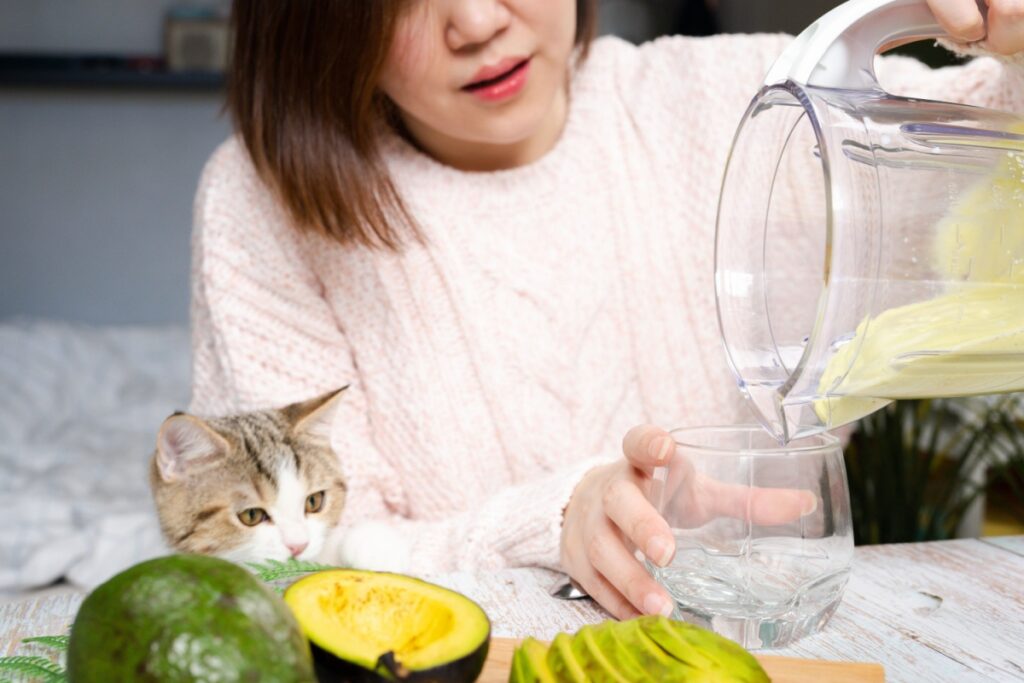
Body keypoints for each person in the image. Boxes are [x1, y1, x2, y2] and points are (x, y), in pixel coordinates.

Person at [189, 0, 1024, 620]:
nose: (477, 22)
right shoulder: (261, 204)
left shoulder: (748, 97)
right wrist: (552, 520)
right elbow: (301, 564)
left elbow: (996, 124)